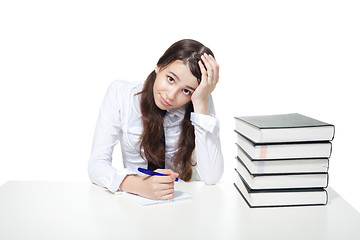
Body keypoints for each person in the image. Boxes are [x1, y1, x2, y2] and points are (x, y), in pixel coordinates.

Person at [88, 39, 223, 200]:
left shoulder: (199, 100)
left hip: (184, 201)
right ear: (159, 66)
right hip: (135, 201)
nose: (171, 95)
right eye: (171, 79)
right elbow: (96, 165)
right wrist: (139, 186)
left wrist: (201, 101)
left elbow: (211, 177)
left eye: (186, 91)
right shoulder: (121, 94)